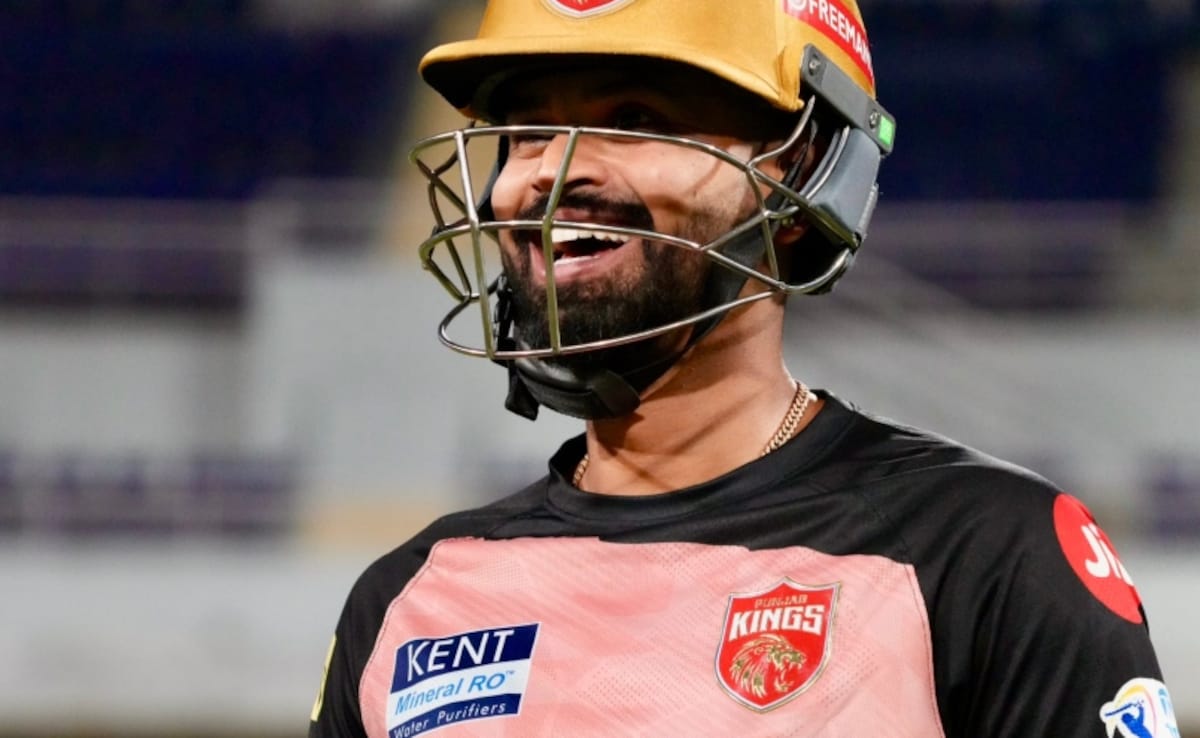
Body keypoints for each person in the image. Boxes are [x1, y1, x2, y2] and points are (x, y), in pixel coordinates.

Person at [309, 0, 1176, 736]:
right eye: (528, 132)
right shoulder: (405, 601)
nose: (554, 174)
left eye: (635, 120)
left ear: (802, 174)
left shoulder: (984, 557)